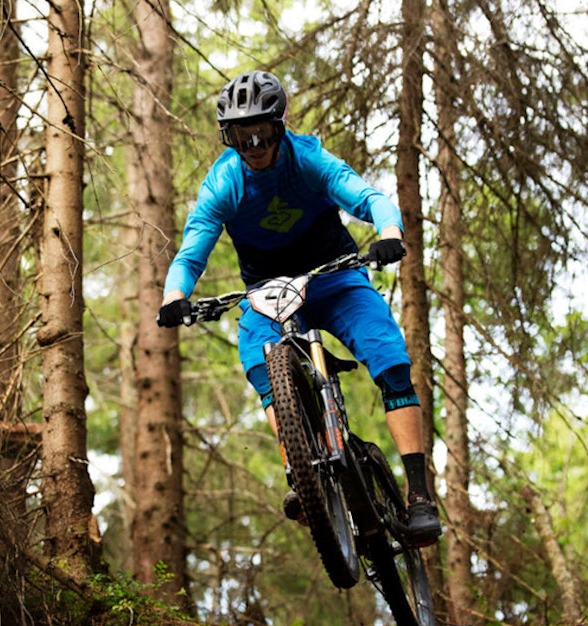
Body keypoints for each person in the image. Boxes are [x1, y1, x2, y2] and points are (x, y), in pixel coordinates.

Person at [156, 70, 442, 546]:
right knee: (260, 361)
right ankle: (303, 471)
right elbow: (192, 250)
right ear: (227, 139)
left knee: (389, 359)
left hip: (334, 276)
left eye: (261, 134)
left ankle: (419, 495)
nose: (253, 147)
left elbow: (368, 198)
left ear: (279, 128)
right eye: (240, 137)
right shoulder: (224, 182)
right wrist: (174, 296)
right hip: (268, 292)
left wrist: (389, 234)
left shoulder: (307, 159)